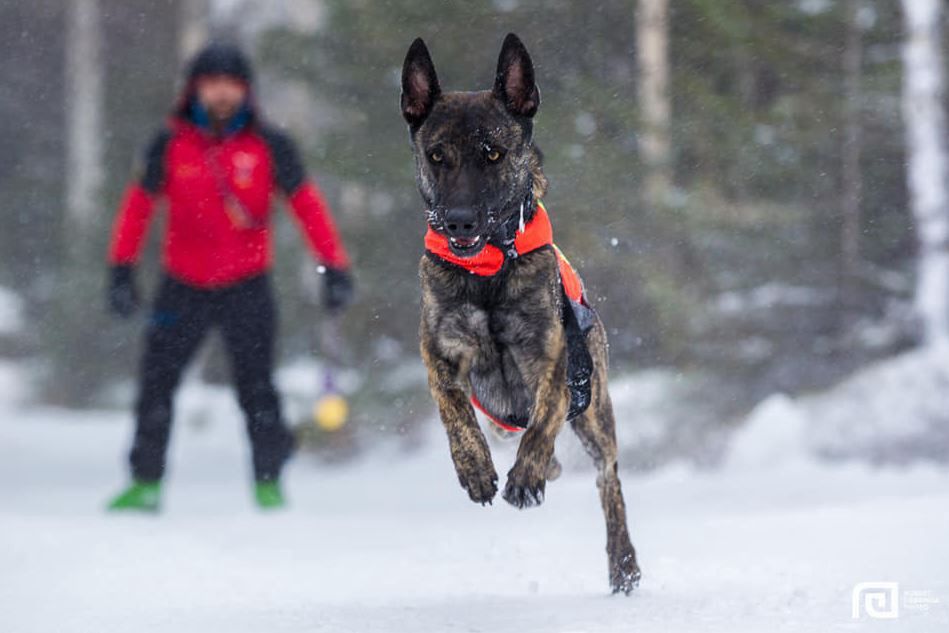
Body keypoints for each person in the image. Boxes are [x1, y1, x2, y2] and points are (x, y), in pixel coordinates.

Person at [105, 43, 353, 512]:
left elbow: (308, 208)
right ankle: (145, 483)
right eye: (211, 83)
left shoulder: (271, 146)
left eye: (231, 84)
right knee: (155, 386)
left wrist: (333, 266)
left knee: (257, 388)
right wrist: (121, 270)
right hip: (181, 286)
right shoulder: (168, 144)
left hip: (247, 286)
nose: (221, 93)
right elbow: (136, 209)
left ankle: (268, 484)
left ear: (245, 90)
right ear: (195, 89)